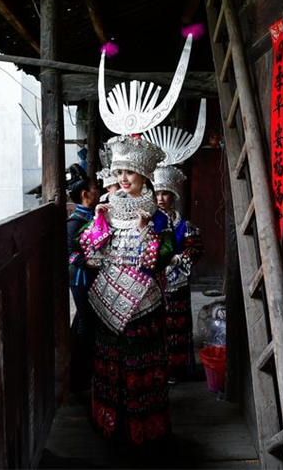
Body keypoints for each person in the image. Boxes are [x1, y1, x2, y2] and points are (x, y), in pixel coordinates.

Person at [80, 136, 175, 446]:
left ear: (144, 176)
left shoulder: (160, 217)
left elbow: (163, 258)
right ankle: (110, 426)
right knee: (109, 364)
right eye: (119, 172)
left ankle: (144, 431)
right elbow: (90, 257)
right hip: (107, 302)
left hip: (144, 305)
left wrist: (147, 231)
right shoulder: (105, 210)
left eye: (129, 173)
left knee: (141, 366)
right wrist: (98, 223)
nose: (122, 179)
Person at [153, 165, 203, 382]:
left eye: (165, 193)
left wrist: (178, 258)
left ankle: (176, 369)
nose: (160, 198)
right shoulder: (149, 223)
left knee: (178, 327)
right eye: (156, 193)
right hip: (154, 283)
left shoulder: (184, 224)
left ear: (173, 196)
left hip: (177, 282)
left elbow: (195, 249)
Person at [66, 164, 101, 392]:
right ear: (84, 195)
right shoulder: (75, 222)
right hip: (80, 277)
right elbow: (69, 252)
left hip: (90, 275)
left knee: (85, 321)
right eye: (94, 187)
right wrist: (86, 262)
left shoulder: (92, 216)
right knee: (86, 324)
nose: (97, 190)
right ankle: (79, 378)